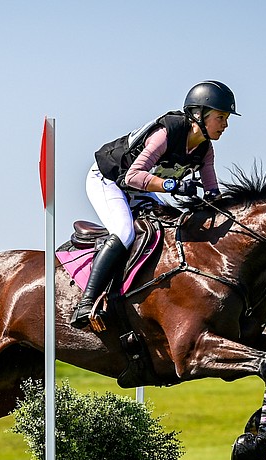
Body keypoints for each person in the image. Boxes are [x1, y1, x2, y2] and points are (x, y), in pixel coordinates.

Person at [72, 81, 239, 328]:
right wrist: (174, 186)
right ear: (198, 114)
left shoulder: (205, 150)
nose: (225, 125)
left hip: (140, 188)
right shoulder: (167, 133)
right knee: (125, 232)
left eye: (226, 119)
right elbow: (132, 177)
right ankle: (86, 302)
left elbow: (214, 195)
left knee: (169, 229)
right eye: (221, 117)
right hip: (109, 179)